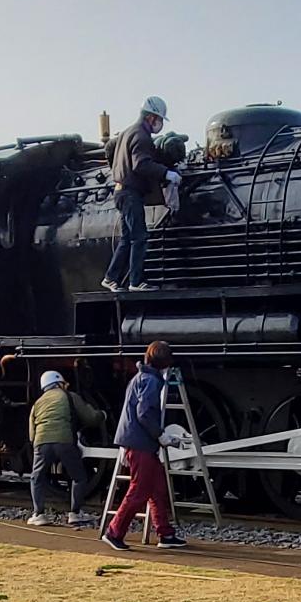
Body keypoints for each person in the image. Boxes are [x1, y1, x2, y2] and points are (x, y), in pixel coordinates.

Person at [102, 340, 187, 550]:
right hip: (141, 443)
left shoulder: (140, 377)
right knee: (139, 489)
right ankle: (114, 532)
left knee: (157, 488)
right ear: (165, 362)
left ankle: (165, 534)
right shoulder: (152, 381)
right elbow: (144, 412)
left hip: (137, 440)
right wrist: (160, 435)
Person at [102, 96, 181, 293]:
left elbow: (110, 150)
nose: (160, 124)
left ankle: (111, 278)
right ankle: (136, 282)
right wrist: (167, 173)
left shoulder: (127, 133)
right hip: (131, 194)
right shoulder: (141, 135)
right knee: (139, 237)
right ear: (152, 118)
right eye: (160, 120)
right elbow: (141, 164)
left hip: (121, 191)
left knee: (127, 238)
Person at [28, 370, 106, 527]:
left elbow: (31, 434)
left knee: (37, 477)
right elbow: (90, 418)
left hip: (41, 442)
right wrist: (102, 414)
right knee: (79, 477)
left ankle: (38, 514)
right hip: (64, 442)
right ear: (59, 383)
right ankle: (75, 513)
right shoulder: (69, 396)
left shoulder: (38, 403)